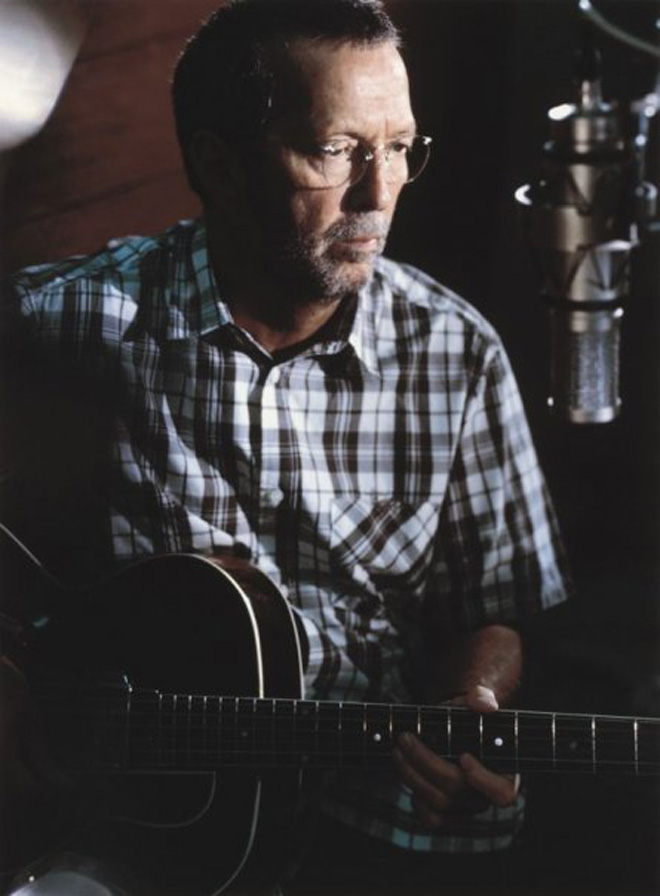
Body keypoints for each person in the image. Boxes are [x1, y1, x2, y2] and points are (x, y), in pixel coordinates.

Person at [0, 1, 572, 893]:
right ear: (221, 166)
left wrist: (476, 698)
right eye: (336, 151)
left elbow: (494, 609)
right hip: (123, 835)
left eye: (400, 148)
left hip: (375, 825)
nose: (379, 195)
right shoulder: (58, 324)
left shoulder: (456, 351)